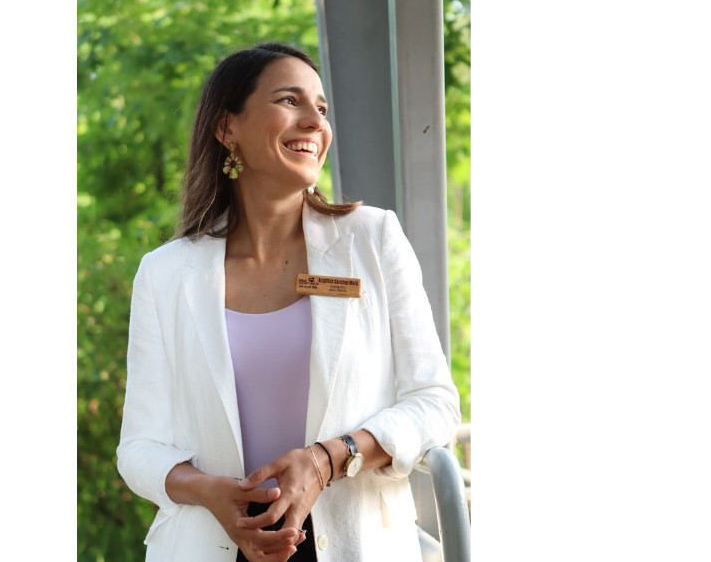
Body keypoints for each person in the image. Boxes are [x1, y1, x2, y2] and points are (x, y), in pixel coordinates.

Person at [116, 42, 460, 562]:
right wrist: (208, 491)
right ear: (227, 128)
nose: (313, 122)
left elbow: (435, 404)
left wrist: (329, 459)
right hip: (211, 544)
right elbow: (139, 448)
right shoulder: (164, 275)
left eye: (321, 108)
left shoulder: (373, 239)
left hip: (355, 544)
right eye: (289, 100)